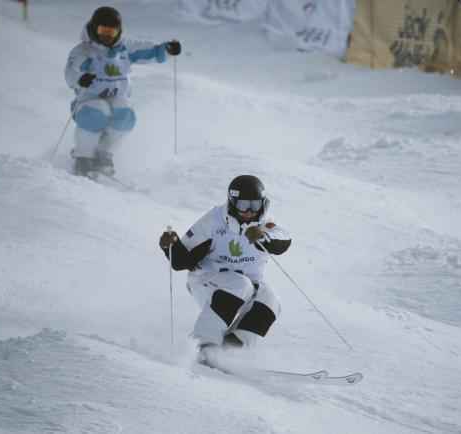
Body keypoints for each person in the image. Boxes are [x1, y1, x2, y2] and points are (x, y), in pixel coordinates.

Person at [159, 175, 292, 352]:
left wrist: (263, 236)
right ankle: (202, 343)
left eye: (255, 205)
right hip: (207, 281)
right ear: (232, 202)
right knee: (239, 284)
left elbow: (283, 239)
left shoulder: (265, 223)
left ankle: (231, 350)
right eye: (243, 205)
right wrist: (171, 246)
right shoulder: (213, 221)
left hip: (248, 287)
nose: (249, 211)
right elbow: (181, 261)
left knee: (271, 301)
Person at [64, 6, 181, 177]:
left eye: (111, 32)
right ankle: (83, 157)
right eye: (102, 30)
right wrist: (80, 78)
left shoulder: (124, 48)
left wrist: (167, 50)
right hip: (89, 98)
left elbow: (150, 52)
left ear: (118, 32)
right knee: (96, 113)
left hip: (117, 96)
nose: (106, 36)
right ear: (94, 29)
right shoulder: (84, 51)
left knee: (125, 116)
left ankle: (104, 155)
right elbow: (70, 72)